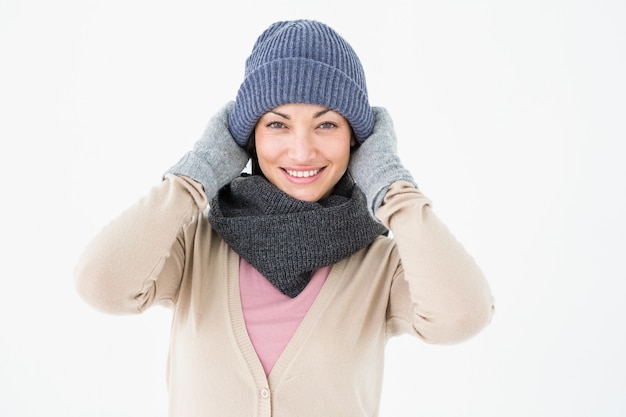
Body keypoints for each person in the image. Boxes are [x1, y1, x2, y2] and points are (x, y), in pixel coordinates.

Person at [75, 19, 494, 417]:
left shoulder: (380, 265)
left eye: (326, 124)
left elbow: (462, 317)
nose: (301, 151)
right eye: (277, 124)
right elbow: (102, 285)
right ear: (247, 138)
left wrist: (389, 185)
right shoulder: (195, 246)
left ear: (357, 140)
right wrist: (196, 175)